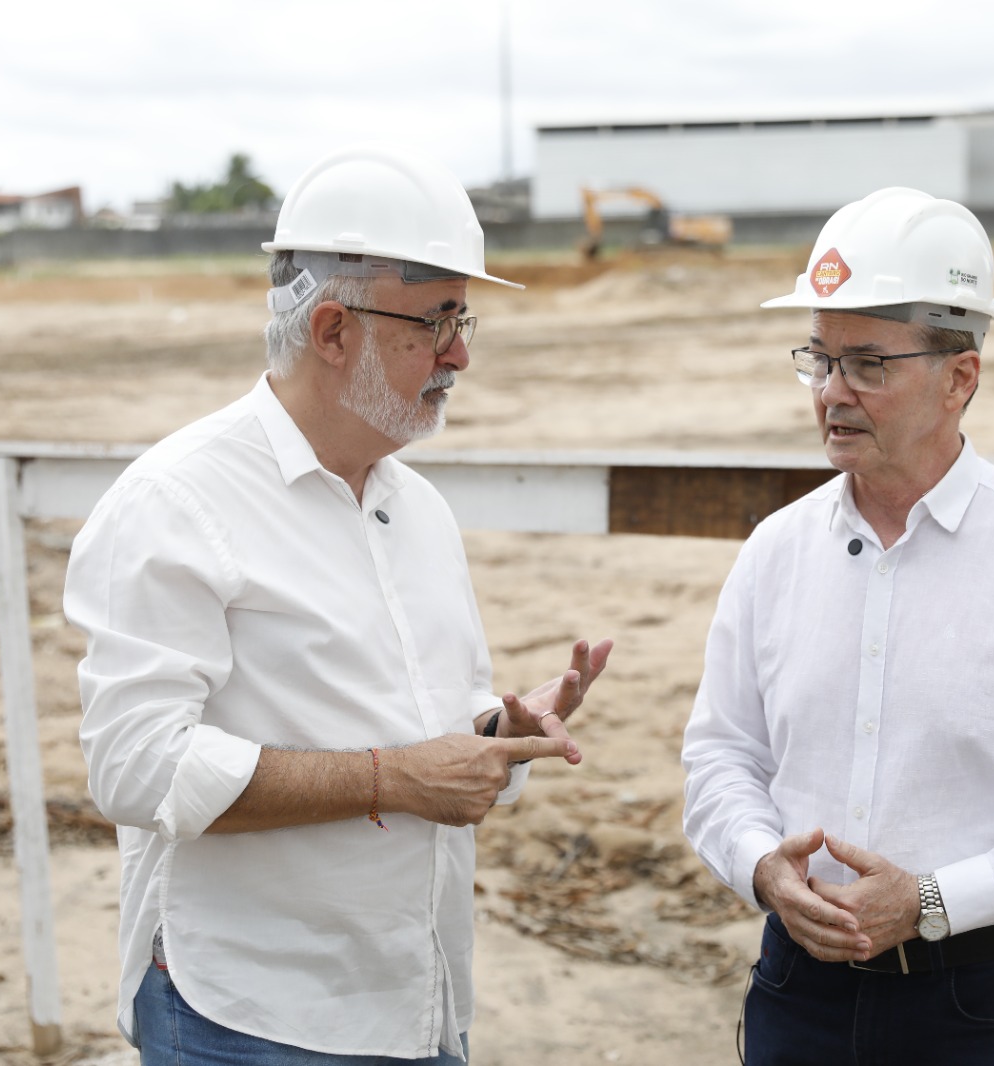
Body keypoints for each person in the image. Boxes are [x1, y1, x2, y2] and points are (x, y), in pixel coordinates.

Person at [64, 143, 612, 1065]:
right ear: (331, 331)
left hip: (420, 998)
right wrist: (393, 778)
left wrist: (495, 735)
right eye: (437, 321)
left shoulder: (415, 506)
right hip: (247, 1017)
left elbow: (411, 730)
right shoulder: (175, 502)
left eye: (464, 318)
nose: (462, 354)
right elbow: (138, 768)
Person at [680, 187, 994, 1064]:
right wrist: (763, 867)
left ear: (961, 377)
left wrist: (936, 900)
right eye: (820, 359)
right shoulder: (774, 552)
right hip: (798, 994)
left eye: (868, 363)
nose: (833, 392)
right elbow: (722, 757)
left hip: (988, 1010)